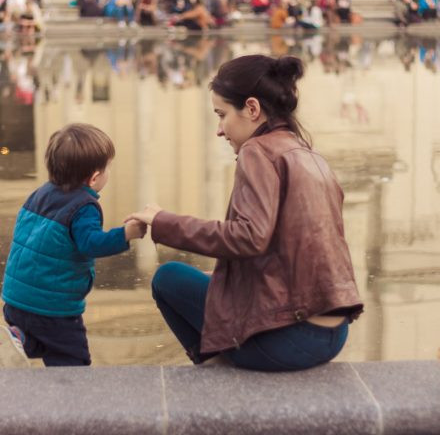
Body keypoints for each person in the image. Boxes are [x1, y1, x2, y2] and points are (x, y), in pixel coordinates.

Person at [126, 55, 364, 372]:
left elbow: (249, 237)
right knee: (212, 282)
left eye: (221, 115)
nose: (219, 130)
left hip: (291, 342)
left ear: (252, 109)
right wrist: (227, 279)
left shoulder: (258, 150)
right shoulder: (306, 151)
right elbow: (287, 248)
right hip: (333, 333)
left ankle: (214, 368)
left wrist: (163, 221)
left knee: (168, 278)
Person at [0, 123, 146, 368]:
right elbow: (91, 244)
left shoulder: (39, 194)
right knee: (73, 360)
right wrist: (126, 234)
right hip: (53, 309)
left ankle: (20, 339)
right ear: (94, 178)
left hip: (16, 301)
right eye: (108, 167)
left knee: (41, 340)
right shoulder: (83, 206)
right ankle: (70, 402)